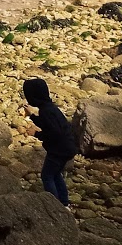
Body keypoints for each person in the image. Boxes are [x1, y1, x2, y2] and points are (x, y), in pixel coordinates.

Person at [22, 77, 78, 205]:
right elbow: (48, 124)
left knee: (47, 176)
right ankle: (64, 203)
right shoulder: (49, 108)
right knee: (56, 173)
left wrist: (36, 133)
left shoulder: (46, 111)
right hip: (67, 146)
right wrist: (32, 115)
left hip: (59, 149)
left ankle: (54, 205)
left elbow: (54, 133)